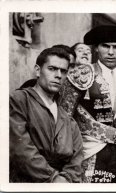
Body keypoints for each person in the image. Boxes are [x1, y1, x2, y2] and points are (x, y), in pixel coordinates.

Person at [58, 25, 116, 183]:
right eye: (105, 46)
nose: (110, 52)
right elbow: (63, 117)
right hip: (88, 151)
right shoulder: (79, 75)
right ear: (96, 48)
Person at [9, 47, 83, 183]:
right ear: (38, 70)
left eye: (63, 71)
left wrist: (66, 178)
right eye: (52, 69)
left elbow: (77, 156)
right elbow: (20, 148)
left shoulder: (66, 116)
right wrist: (52, 178)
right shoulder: (19, 100)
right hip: (26, 182)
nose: (58, 75)